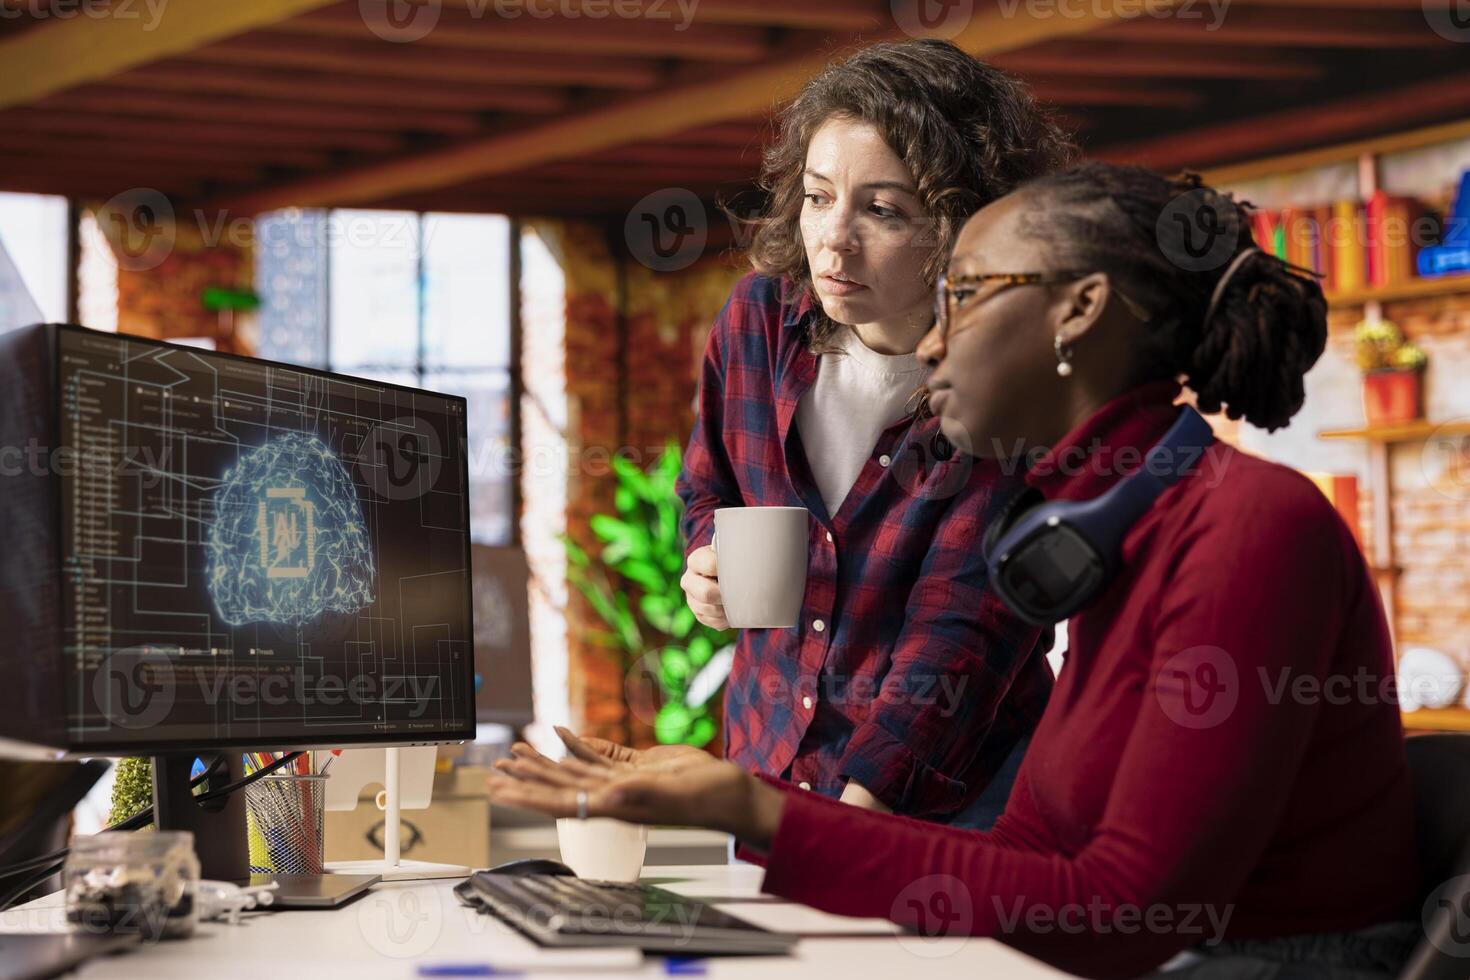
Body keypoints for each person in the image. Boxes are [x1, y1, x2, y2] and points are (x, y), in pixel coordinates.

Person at [488, 163, 1424, 979]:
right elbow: (1025, 852)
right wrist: (752, 807)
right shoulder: (1103, 525)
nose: (934, 343)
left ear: (1080, 310)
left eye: (966, 294)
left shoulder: (1247, 529)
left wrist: (757, 813)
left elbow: (1124, 917)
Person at [674, 38, 1072, 828]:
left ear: (965, 229)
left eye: (882, 211)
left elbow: (967, 632)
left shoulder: (1005, 382)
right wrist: (706, 565)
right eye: (819, 197)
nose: (833, 238)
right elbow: (708, 484)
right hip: (770, 758)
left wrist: (848, 826)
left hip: (950, 795)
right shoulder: (759, 321)